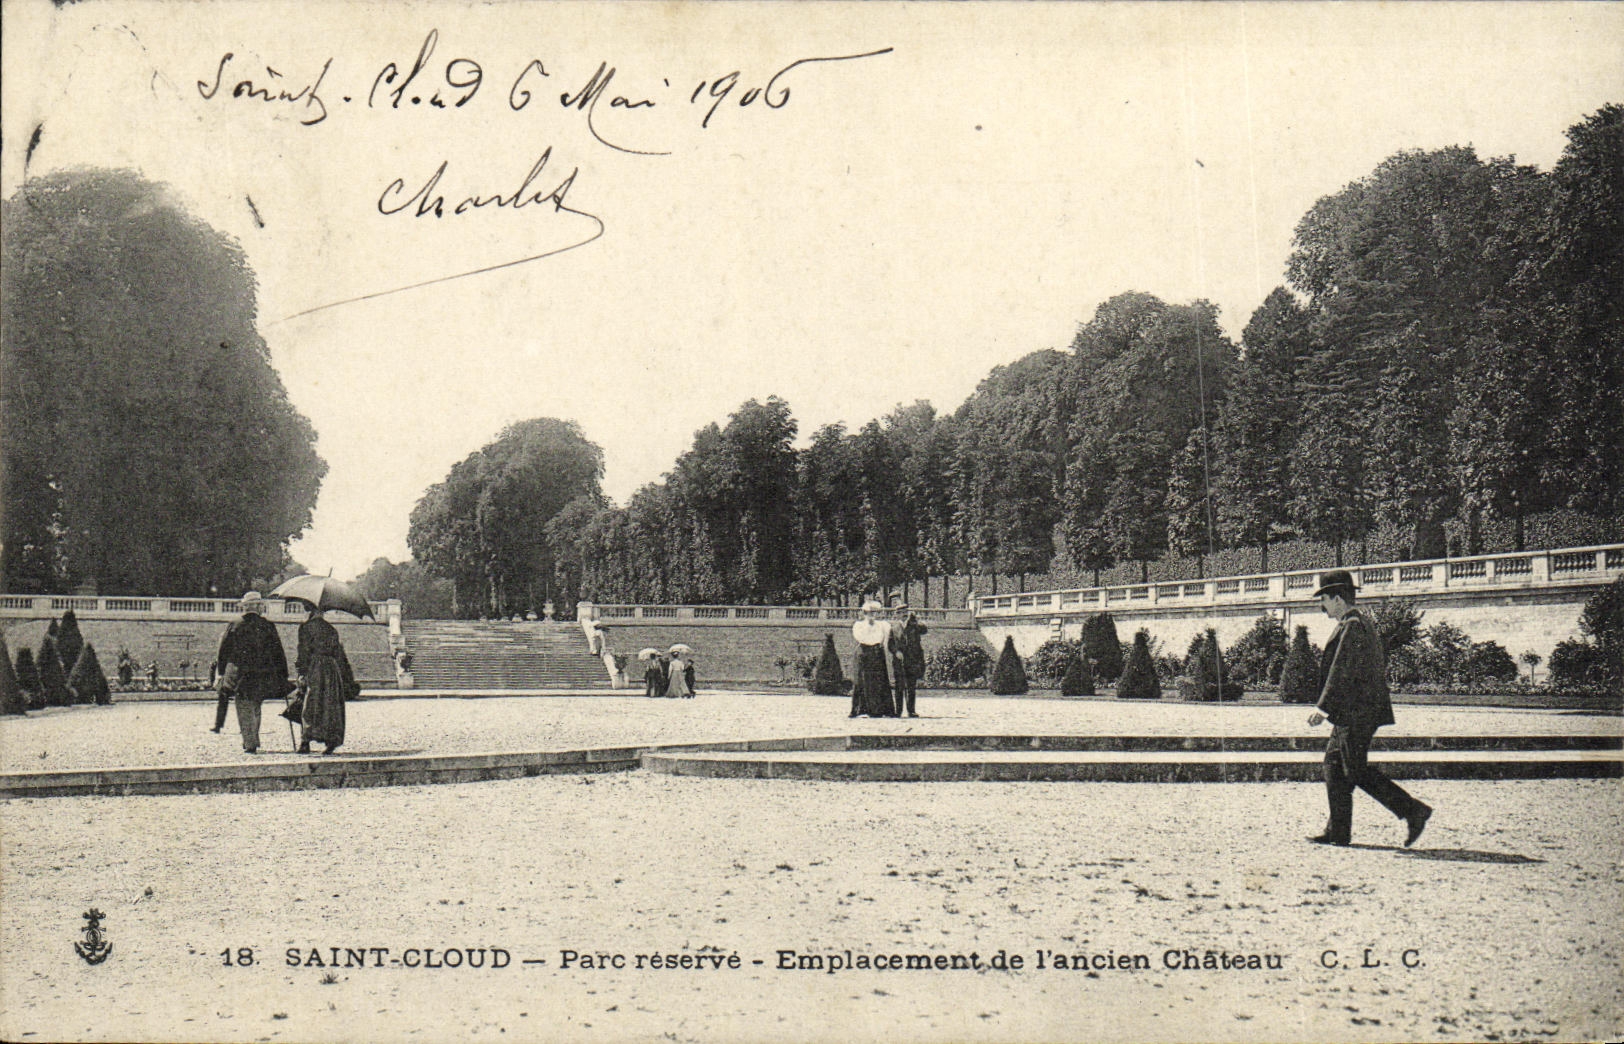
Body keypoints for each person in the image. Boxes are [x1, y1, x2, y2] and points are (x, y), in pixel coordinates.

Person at [1306, 570, 1432, 847]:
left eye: (1324, 599)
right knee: (1334, 766)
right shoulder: (1356, 623)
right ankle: (1338, 831)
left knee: (1355, 770)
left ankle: (1413, 810)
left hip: (1358, 712)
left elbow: (1341, 670)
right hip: (1354, 711)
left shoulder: (1353, 626)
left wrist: (1323, 708)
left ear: (1338, 598)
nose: (1322, 606)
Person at [213, 591, 288, 754]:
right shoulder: (268, 625)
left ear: (245, 607)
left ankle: (250, 741)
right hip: (263, 673)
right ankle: (252, 737)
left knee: (244, 706)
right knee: (256, 705)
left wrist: (220, 672)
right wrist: (283, 674)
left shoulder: (235, 624)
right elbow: (278, 652)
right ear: (258, 606)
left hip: (241, 674)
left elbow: (223, 650)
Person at [294, 601, 359, 755]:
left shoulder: (305, 627)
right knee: (330, 705)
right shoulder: (331, 629)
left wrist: (301, 672)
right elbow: (338, 654)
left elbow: (303, 651)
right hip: (332, 669)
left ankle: (305, 741)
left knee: (310, 703)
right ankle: (331, 741)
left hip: (315, 666)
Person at [849, 600, 898, 718]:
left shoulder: (882, 625)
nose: (871, 616)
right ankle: (861, 709)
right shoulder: (859, 625)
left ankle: (880, 709)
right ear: (864, 614)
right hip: (864, 653)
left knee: (878, 681)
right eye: (868, 613)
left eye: (873, 613)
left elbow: (884, 638)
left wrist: (882, 647)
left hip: (877, 653)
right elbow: (861, 637)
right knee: (862, 680)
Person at [895, 605, 927, 718]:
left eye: (905, 612)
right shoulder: (894, 628)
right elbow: (890, 643)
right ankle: (898, 711)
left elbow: (924, 630)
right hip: (899, 661)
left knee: (911, 686)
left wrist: (916, 619)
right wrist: (896, 652)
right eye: (900, 612)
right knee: (899, 686)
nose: (903, 614)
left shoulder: (914, 626)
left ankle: (911, 710)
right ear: (896, 614)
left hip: (912, 660)